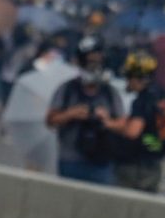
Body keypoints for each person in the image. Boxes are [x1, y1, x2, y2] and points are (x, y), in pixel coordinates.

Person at [47, 36, 122, 184]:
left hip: (101, 162)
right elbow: (50, 119)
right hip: (70, 159)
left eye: (97, 61)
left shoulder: (109, 93)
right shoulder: (67, 89)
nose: (94, 66)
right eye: (90, 61)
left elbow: (122, 124)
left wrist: (106, 121)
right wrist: (71, 114)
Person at [98, 52, 165, 193]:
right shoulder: (158, 96)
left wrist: (108, 124)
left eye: (129, 76)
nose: (127, 81)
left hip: (135, 168)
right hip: (153, 162)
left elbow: (133, 131)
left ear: (136, 77)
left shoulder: (142, 101)